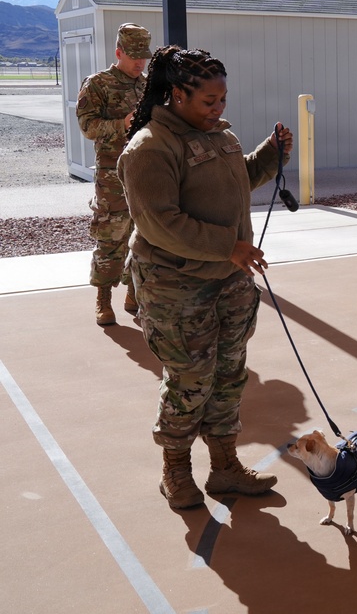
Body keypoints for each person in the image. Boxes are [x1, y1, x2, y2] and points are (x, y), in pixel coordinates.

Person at [117, 45, 294, 509]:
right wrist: (228, 246)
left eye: (223, 100)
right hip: (176, 288)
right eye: (208, 102)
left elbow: (241, 181)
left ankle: (224, 467)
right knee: (190, 380)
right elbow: (160, 223)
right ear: (176, 94)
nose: (218, 110)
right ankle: (175, 470)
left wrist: (270, 155)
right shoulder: (150, 147)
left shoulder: (219, 136)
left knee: (229, 374)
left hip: (229, 282)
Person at [76, 23, 151, 326]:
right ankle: (103, 298)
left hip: (146, 173)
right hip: (112, 176)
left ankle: (134, 293)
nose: (139, 63)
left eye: (143, 57)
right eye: (133, 57)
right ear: (118, 52)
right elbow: (87, 126)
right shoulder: (98, 84)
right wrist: (121, 124)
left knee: (145, 234)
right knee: (111, 236)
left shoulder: (148, 86)